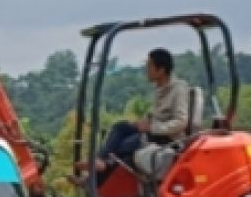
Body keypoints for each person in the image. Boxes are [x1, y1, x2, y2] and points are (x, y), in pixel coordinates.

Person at [77, 48, 191, 184]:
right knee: (121, 127)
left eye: (149, 66)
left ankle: (96, 174)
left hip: (167, 138)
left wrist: (152, 127)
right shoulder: (160, 89)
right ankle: (100, 162)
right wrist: (143, 122)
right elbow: (158, 115)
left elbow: (181, 122)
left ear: (161, 70)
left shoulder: (178, 89)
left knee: (126, 145)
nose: (146, 70)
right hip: (152, 131)